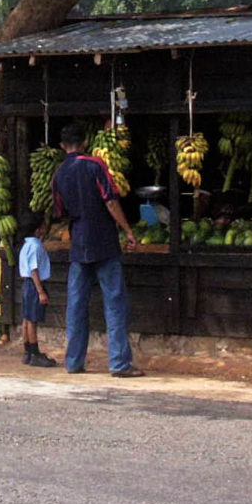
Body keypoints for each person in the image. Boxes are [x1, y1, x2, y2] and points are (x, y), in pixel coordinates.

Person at [51, 122, 144, 377]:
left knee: (76, 304)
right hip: (104, 241)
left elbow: (60, 212)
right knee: (114, 301)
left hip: (78, 243)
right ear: (84, 144)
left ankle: (73, 362)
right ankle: (118, 363)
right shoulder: (95, 165)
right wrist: (128, 229)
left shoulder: (58, 175)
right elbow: (111, 201)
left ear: (62, 146)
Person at [18, 219, 57, 368]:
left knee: (26, 319)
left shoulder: (26, 245)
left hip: (27, 284)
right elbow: (34, 269)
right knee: (32, 320)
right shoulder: (35, 246)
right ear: (37, 230)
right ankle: (35, 353)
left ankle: (27, 352)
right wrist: (41, 291)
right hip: (34, 284)